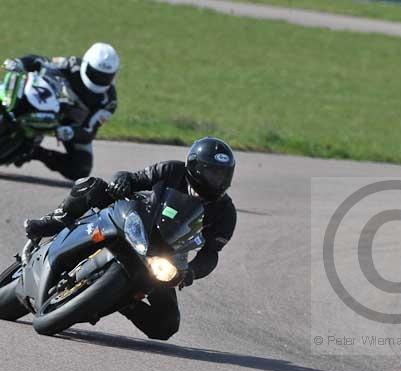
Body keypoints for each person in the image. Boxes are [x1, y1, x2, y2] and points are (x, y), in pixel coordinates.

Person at [23, 137, 237, 341]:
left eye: (222, 175)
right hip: (136, 221)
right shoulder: (172, 170)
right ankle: (54, 220)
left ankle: (121, 302)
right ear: (195, 167)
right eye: (212, 173)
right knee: (92, 186)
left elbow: (210, 254)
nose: (217, 180)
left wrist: (190, 272)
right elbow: (134, 178)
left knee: (167, 325)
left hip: (164, 256)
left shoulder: (226, 213)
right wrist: (121, 181)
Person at [3, 42, 120, 180]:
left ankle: (34, 152)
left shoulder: (109, 102)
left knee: (81, 168)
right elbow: (39, 61)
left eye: (105, 77)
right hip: (44, 100)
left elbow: (89, 131)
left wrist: (71, 132)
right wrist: (19, 63)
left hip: (69, 124)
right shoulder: (71, 65)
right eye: (95, 74)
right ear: (85, 64)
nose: (99, 80)